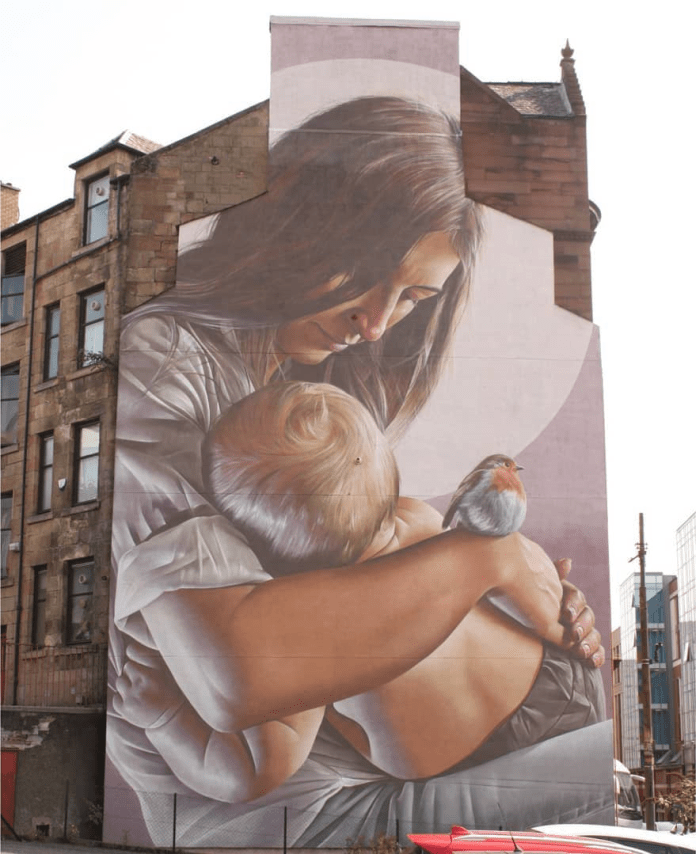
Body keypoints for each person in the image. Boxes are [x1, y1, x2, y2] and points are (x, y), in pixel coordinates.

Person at [107, 96, 605, 844]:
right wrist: (487, 560)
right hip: (335, 815)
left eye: (413, 297)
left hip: (475, 749)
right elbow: (236, 674)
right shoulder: (171, 359)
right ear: (305, 224)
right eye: (368, 274)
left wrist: (530, 594)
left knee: (397, 526)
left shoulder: (324, 393)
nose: (374, 324)